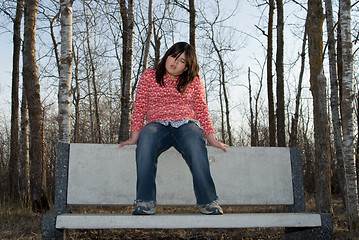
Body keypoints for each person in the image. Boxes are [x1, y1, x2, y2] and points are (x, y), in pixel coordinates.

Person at [120, 42, 227, 215]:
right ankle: (145, 201)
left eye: (182, 61)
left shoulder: (194, 80)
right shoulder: (149, 75)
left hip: (185, 125)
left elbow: (201, 108)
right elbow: (139, 106)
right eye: (173, 56)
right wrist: (135, 136)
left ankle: (208, 201)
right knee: (146, 139)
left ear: (187, 67)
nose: (175, 63)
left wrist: (211, 137)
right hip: (156, 125)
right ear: (167, 55)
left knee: (194, 140)